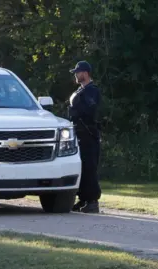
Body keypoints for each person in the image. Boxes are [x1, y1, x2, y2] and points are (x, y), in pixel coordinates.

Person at [68, 60, 102, 213]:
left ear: (85, 73)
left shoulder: (92, 90)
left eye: (78, 72)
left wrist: (77, 111)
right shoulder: (81, 90)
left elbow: (91, 109)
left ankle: (93, 201)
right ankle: (83, 198)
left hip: (88, 134)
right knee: (80, 167)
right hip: (78, 133)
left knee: (89, 167)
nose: (76, 74)